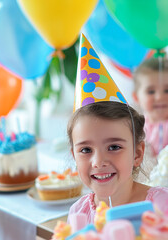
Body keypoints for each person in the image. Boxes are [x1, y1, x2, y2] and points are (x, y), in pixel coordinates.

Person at [66, 34, 168, 224]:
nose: (98, 161)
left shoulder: (162, 206)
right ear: (74, 156)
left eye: (113, 147)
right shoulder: (78, 213)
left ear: (137, 153)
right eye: (86, 150)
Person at [132, 57, 168, 156]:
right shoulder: (136, 127)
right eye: (151, 91)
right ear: (136, 97)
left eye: (167, 91)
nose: (159, 97)